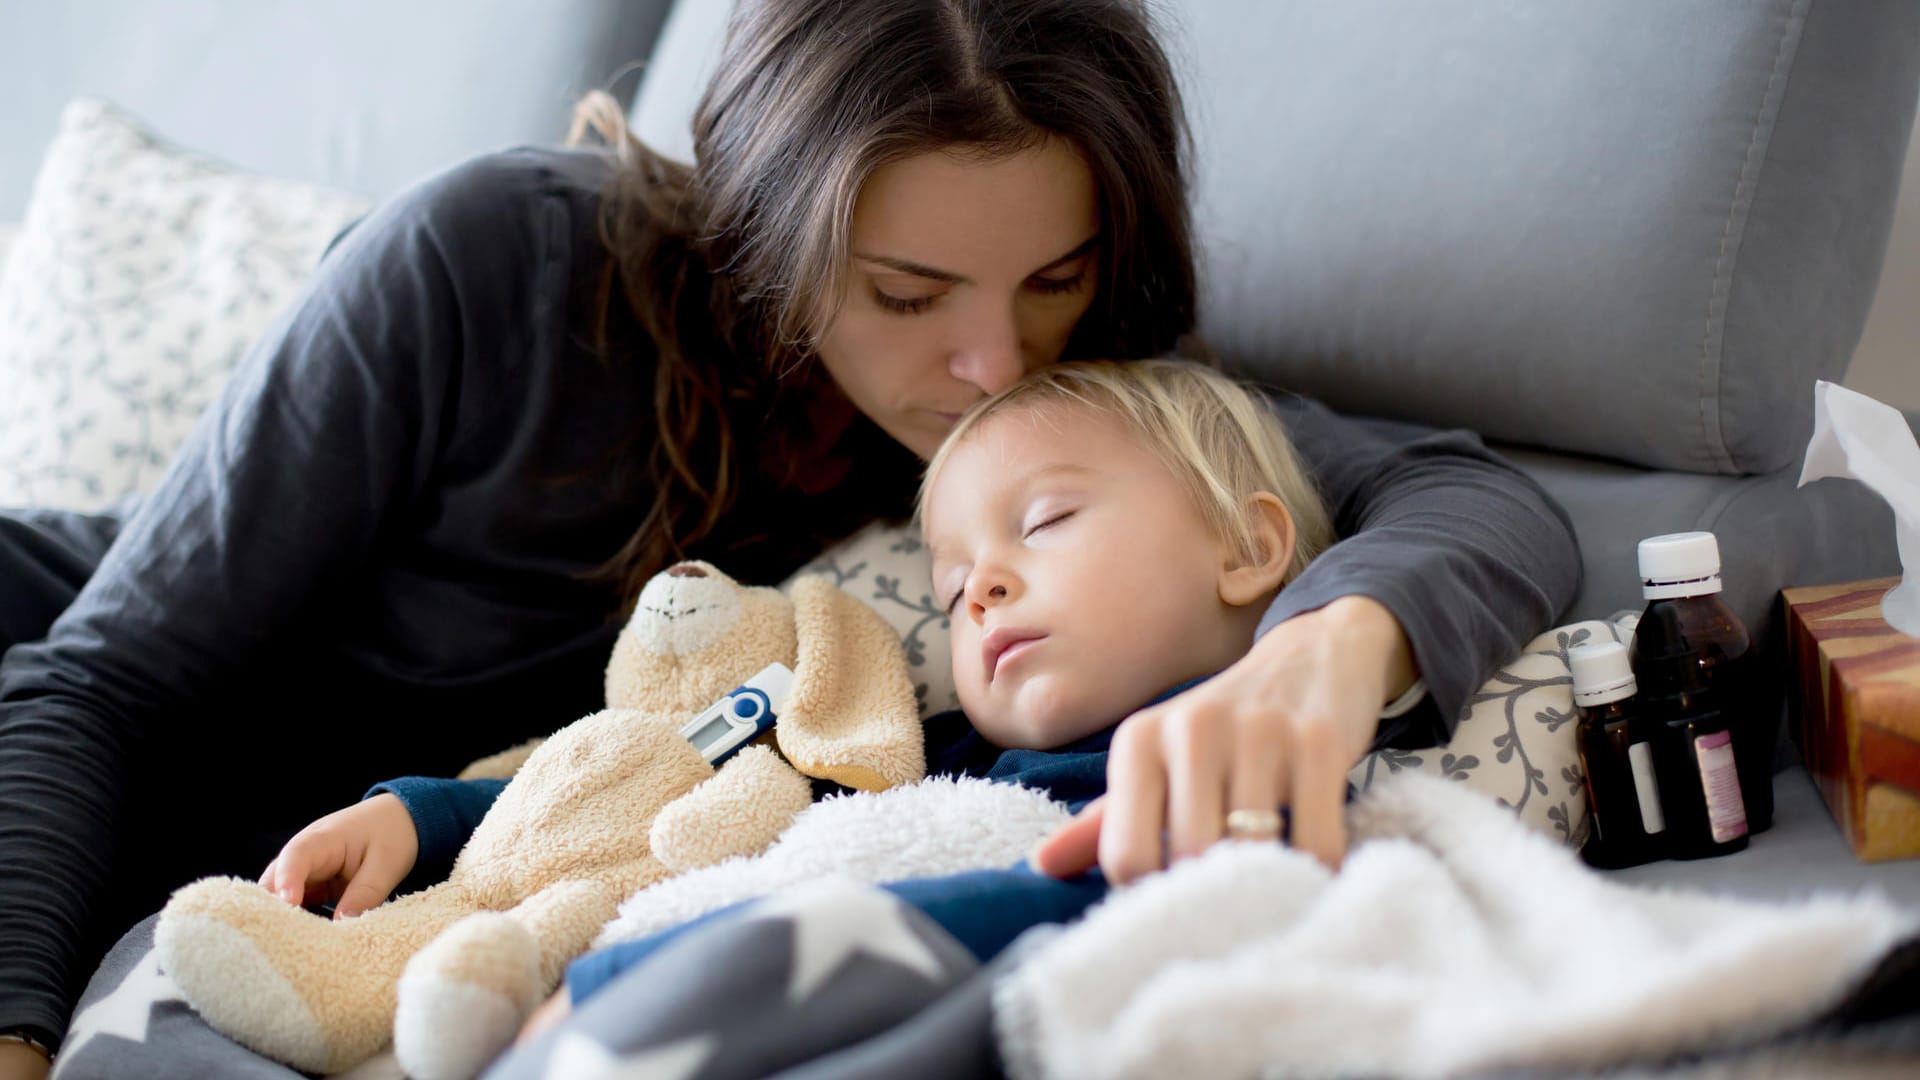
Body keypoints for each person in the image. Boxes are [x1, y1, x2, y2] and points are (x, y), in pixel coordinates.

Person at [0, 2, 1578, 1076]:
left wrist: (1319, 662)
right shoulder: (490, 261)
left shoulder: (1067, 425)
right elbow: (101, 684)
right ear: (766, 227)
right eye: (906, 296)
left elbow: (1469, 492)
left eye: (1057, 278)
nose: (993, 367)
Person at [331, 357, 1348, 1046]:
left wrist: (633, 987)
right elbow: (650, 786)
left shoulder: (1242, 765)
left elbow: (1076, 912)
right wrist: (424, 817)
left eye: (1043, 522)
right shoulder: (904, 752)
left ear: (1246, 547)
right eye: (952, 588)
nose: (979, 588)